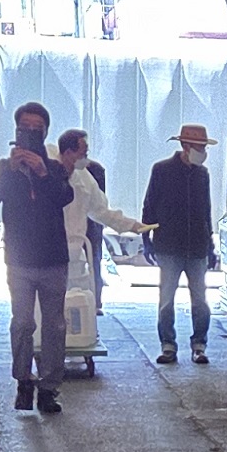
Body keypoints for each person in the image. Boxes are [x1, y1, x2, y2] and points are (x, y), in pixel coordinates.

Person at [0, 101, 73, 416]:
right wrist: (12, 169)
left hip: (53, 259)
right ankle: (23, 380)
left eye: (37, 129)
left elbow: (64, 197)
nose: (31, 133)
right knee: (22, 323)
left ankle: (49, 388)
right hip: (19, 260)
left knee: (55, 326)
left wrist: (42, 172)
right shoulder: (4, 167)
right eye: (25, 128)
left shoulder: (56, 168)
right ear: (17, 131)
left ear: (46, 132)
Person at [55, 128, 147, 349]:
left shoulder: (85, 180)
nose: (86, 157)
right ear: (68, 152)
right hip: (47, 252)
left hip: (74, 252)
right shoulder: (46, 167)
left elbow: (101, 211)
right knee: (49, 306)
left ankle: (77, 341)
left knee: (78, 301)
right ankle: (51, 345)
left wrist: (131, 225)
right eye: (83, 152)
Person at [140, 119, 215, 362]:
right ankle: (168, 345)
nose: (202, 152)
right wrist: (146, 238)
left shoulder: (202, 174)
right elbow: (149, 205)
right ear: (185, 146)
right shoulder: (162, 170)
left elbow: (206, 210)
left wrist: (210, 246)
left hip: (197, 247)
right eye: (199, 147)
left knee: (200, 301)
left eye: (204, 148)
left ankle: (199, 345)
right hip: (169, 246)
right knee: (166, 300)